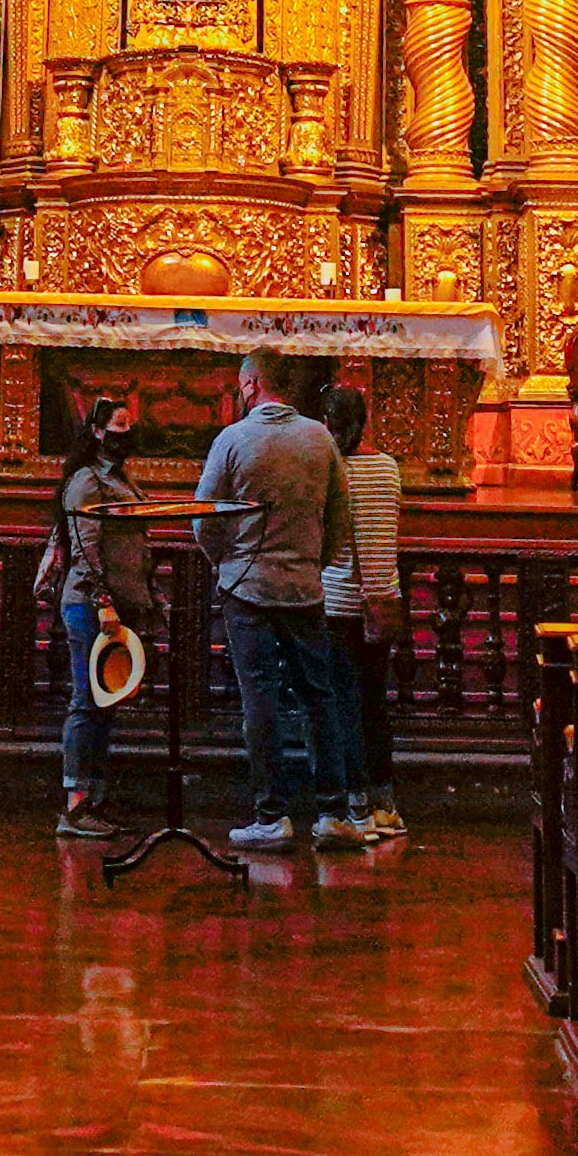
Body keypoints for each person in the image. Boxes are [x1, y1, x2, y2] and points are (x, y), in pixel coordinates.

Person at [189, 350, 344, 859]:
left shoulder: (233, 439)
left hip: (248, 587)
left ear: (252, 383)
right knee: (319, 697)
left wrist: (227, 563)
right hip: (304, 587)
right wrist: (311, 562)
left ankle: (271, 816)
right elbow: (340, 517)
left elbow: (204, 516)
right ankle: (333, 813)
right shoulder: (319, 438)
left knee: (260, 699)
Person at [42, 402, 149, 836]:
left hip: (117, 603)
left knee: (106, 703)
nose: (128, 431)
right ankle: (76, 804)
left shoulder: (121, 478)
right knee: (88, 701)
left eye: (130, 424)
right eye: (119, 425)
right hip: (91, 606)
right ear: (98, 432)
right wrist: (103, 600)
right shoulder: (88, 481)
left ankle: (95, 800)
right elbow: (85, 548)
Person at [311, 376, 407, 853]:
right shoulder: (388, 468)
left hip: (337, 601)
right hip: (381, 600)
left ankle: (355, 803)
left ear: (328, 422)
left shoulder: (329, 467)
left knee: (341, 704)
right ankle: (386, 802)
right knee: (374, 700)